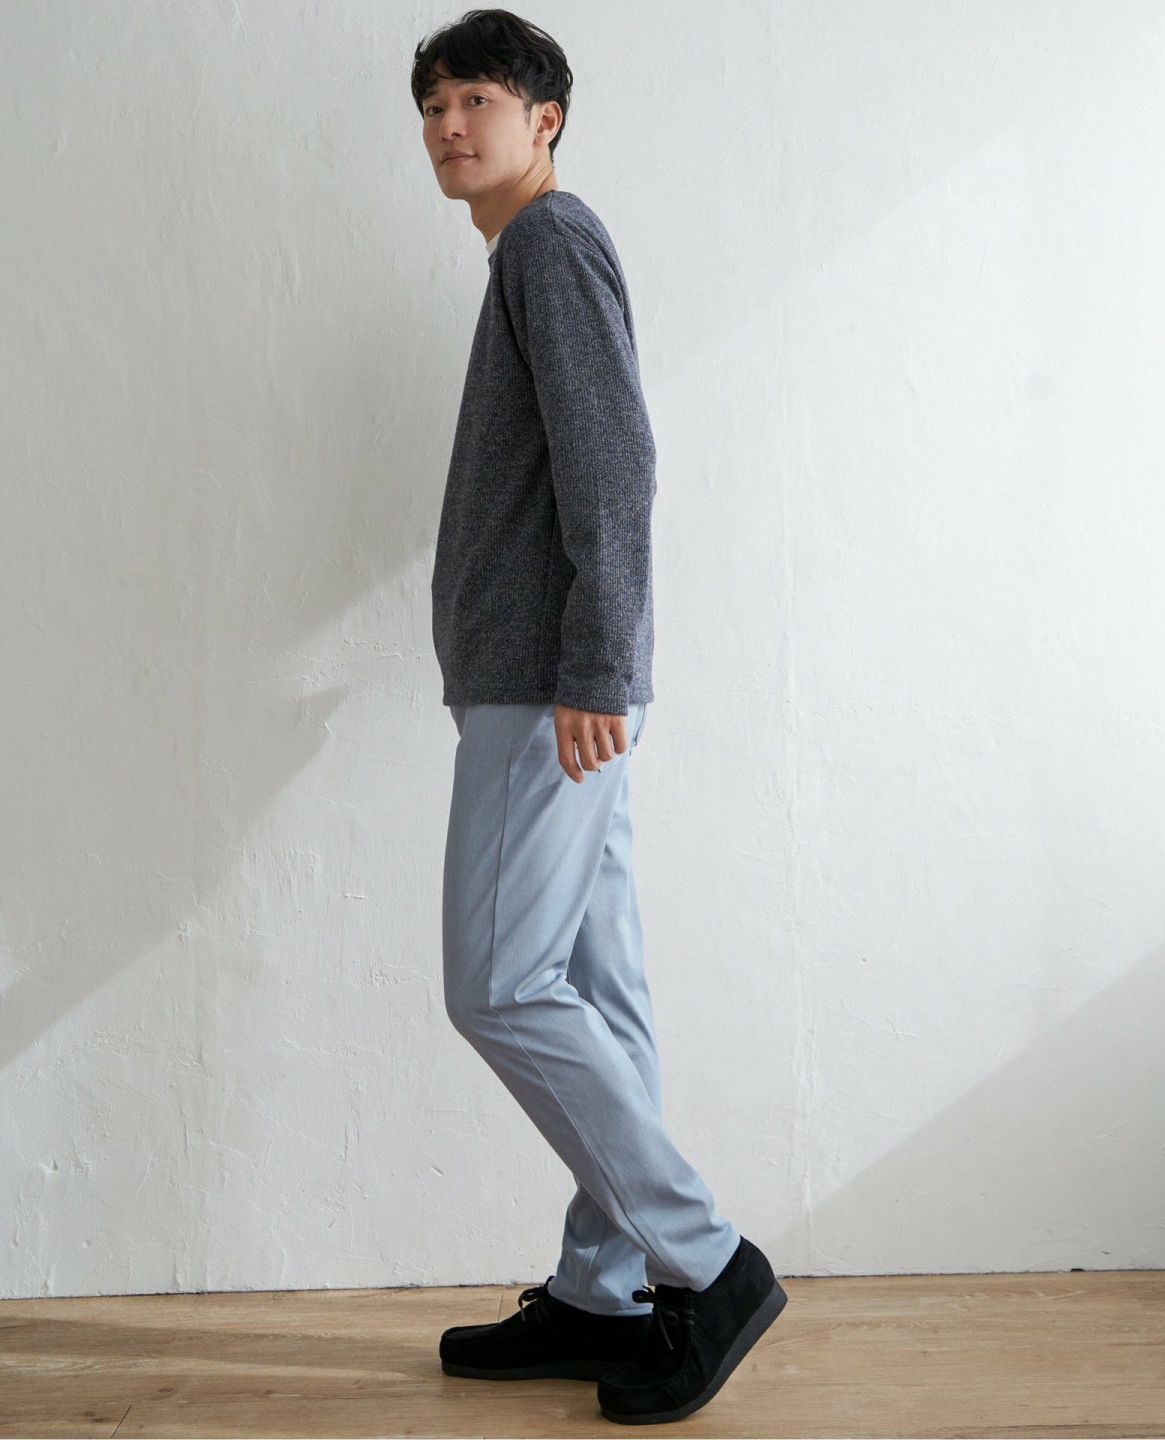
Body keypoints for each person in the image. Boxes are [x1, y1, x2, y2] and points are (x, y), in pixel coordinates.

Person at [412, 9, 787, 1424]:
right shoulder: (529, 255)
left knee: (501, 986)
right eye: (432, 107)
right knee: (598, 993)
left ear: (545, 118)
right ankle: (603, 1287)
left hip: (550, 688)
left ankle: (708, 1263)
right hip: (547, 681)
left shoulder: (549, 245)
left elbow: (615, 463)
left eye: (475, 98)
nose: (449, 126)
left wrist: (593, 666)